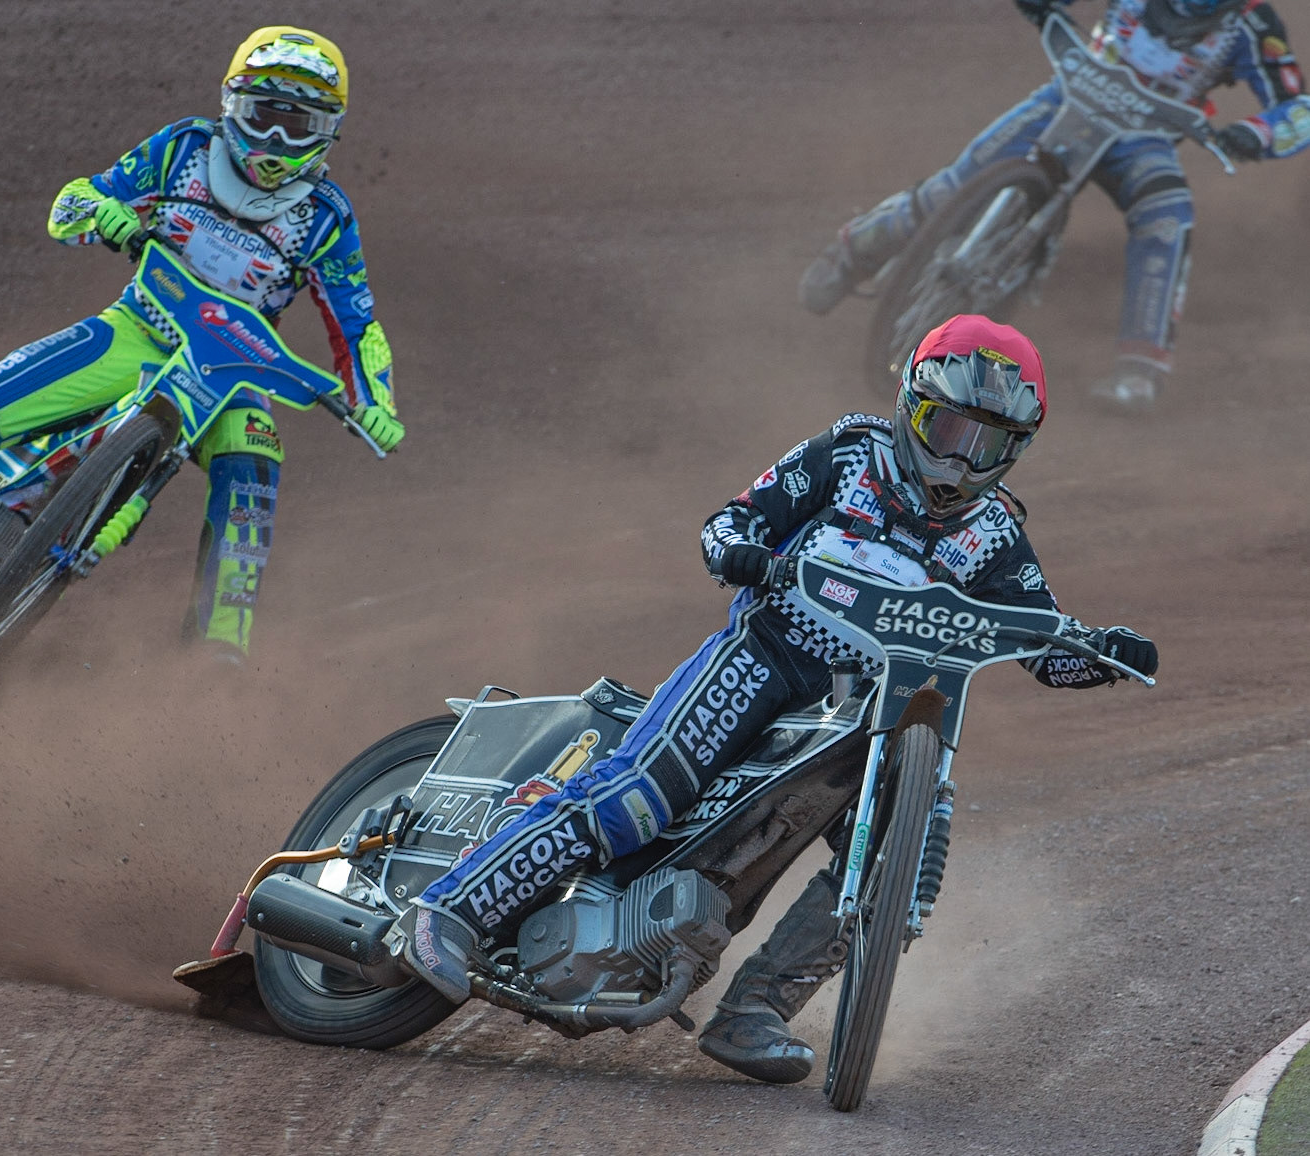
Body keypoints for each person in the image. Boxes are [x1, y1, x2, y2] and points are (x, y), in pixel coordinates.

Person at [395, 315, 1160, 1084]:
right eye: (949, 427)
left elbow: (1039, 642)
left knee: (909, 853)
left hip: (872, 708)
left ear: (1014, 450)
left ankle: (755, 1009)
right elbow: (730, 521)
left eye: (986, 442)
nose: (962, 456)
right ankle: (451, 909)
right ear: (911, 404)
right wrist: (738, 551)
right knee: (637, 797)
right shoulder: (848, 451)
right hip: (765, 656)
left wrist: (1103, 655)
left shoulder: (995, 536)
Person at [0, 26, 403, 659]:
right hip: (140, 329)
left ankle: (217, 653)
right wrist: (103, 212)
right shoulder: (182, 148)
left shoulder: (328, 218)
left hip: (233, 373)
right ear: (233, 105)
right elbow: (73, 200)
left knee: (254, 477)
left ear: (328, 132)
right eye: (264, 116)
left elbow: (358, 324)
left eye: (298, 125)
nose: (274, 139)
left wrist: (377, 402)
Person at [799, 0, 1310, 410]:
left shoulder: (1252, 20)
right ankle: (853, 250)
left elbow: (1299, 107)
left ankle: (1140, 371)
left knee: (1167, 221)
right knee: (953, 185)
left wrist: (1253, 134)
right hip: (1067, 98)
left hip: (1145, 139)